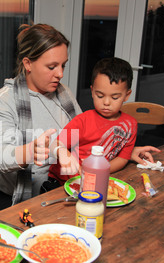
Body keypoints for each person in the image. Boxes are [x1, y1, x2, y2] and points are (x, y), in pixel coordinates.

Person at [0, 23, 160, 214]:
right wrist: (29, 152)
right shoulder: (5, 100)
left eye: (63, 65)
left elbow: (86, 136)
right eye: (52, 66)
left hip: (58, 190)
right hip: (14, 201)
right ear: (28, 64)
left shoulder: (63, 93)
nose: (60, 74)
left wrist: (124, 151)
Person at [47, 57, 137, 185]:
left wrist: (97, 171)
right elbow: (55, 144)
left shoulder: (130, 126)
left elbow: (123, 158)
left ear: (127, 95)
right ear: (92, 92)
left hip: (96, 179)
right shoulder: (83, 121)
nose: (106, 102)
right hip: (62, 181)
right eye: (100, 95)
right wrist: (62, 152)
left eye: (115, 97)